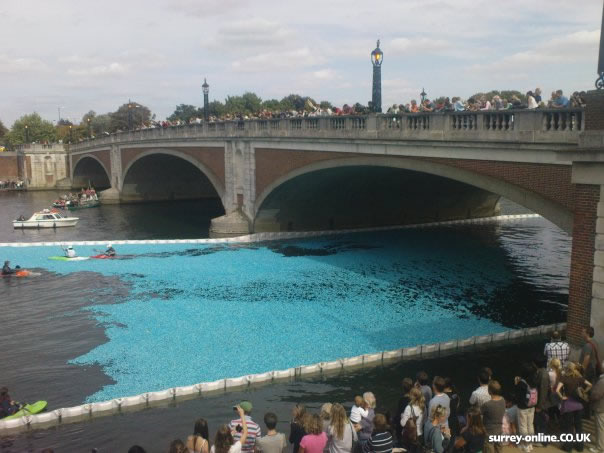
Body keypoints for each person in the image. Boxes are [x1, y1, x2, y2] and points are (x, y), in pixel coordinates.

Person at [556, 362, 592, 453]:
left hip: (568, 405)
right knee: (579, 426)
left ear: (567, 368)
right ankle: (580, 447)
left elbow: (557, 390)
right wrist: (584, 392)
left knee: (568, 427)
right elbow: (590, 385)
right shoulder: (579, 378)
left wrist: (562, 397)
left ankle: (568, 447)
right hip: (579, 406)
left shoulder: (564, 378)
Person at [514, 363, 538, 452]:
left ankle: (526, 446)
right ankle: (530, 444)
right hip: (532, 405)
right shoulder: (534, 381)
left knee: (523, 426)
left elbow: (518, 396)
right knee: (530, 424)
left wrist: (516, 384)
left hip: (523, 407)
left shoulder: (521, 383)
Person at [482, 380, 505, 453]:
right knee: (498, 449)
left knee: (488, 448)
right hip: (499, 430)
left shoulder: (487, 404)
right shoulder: (503, 400)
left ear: (490, 391)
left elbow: (479, 414)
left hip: (489, 431)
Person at [400, 387, 425, 453]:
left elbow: (403, 424)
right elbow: (424, 420)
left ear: (412, 397)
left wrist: (402, 416)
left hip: (409, 436)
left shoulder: (409, 408)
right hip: (420, 434)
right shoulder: (423, 407)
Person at [394, 378, 414, 446]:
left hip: (405, 426)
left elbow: (399, 414)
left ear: (403, 388)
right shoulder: (415, 398)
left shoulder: (402, 400)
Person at [590, 360, 604, 453]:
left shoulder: (602, 381)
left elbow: (596, 395)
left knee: (600, 428)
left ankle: (600, 447)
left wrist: (590, 396)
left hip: (600, 407)